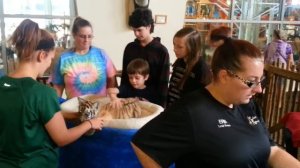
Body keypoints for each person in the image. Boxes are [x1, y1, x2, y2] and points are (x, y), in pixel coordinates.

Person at [131, 38, 300, 167]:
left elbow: (272, 149)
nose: (259, 90)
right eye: (251, 82)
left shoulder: (248, 105)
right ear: (224, 76)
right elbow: (143, 145)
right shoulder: (190, 111)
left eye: (260, 81)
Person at [0, 19, 104, 168]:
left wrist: (72, 115)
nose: (50, 63)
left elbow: (25, 114)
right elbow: (62, 138)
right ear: (42, 55)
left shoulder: (2, 84)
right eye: (50, 58)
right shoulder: (42, 93)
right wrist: (89, 124)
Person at [51, 16, 118, 100]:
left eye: (89, 36)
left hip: (101, 107)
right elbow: (58, 87)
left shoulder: (101, 54)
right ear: (74, 35)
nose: (86, 40)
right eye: (82, 36)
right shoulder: (63, 58)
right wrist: (56, 106)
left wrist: (112, 98)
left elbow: (112, 79)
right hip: (73, 108)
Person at [121, 8, 170, 108]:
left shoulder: (161, 51)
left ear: (149, 27)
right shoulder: (130, 48)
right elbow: (125, 77)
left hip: (151, 103)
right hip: (129, 101)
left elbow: (163, 83)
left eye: (139, 30)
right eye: (134, 30)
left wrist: (161, 108)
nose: (136, 34)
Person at [167, 27, 211, 108]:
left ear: (192, 47)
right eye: (174, 45)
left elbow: (202, 98)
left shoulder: (201, 68)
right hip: (173, 108)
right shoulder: (179, 61)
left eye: (180, 47)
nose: (174, 49)